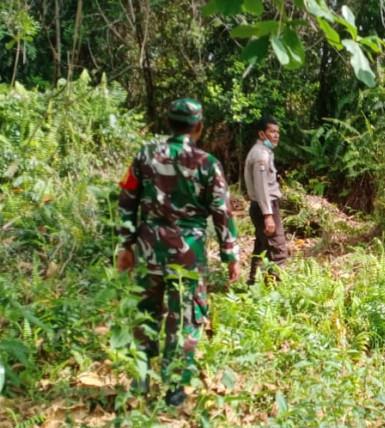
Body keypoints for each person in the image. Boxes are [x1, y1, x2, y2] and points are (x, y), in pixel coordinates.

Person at [116, 97, 240, 406]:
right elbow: (222, 212)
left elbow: (126, 200)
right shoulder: (207, 164)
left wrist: (125, 245)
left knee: (145, 315)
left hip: (148, 250)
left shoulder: (143, 156)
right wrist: (231, 255)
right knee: (184, 319)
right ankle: (174, 390)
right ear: (198, 127)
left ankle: (140, 384)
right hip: (189, 255)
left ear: (168, 123)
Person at [243, 116, 290, 284]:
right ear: (262, 134)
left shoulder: (262, 152)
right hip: (265, 206)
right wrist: (268, 215)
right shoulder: (261, 155)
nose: (276, 135)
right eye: (272, 131)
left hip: (261, 206)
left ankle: (252, 285)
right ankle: (273, 291)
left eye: (277, 132)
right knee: (277, 250)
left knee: (262, 246)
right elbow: (262, 187)